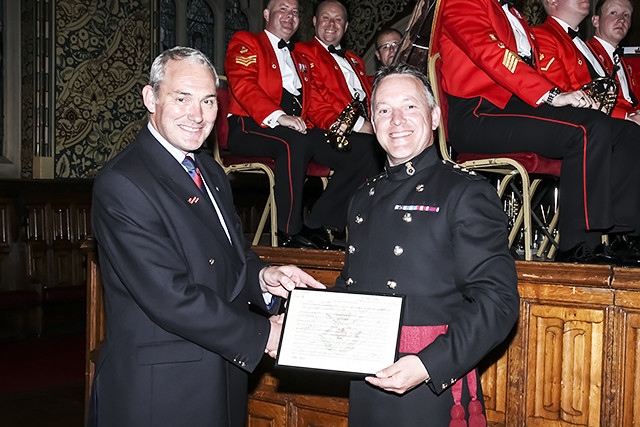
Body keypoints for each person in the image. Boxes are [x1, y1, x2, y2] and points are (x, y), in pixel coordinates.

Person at [88, 47, 325, 427]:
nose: (197, 116)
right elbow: (169, 295)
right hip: (160, 392)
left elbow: (231, 257)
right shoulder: (124, 182)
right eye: (182, 98)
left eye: (209, 101)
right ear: (151, 99)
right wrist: (264, 333)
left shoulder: (211, 172)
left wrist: (262, 277)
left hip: (221, 375)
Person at [333, 63, 520, 427]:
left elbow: (498, 301)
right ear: (372, 123)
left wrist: (428, 364)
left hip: (429, 379)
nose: (396, 120)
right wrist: (300, 322)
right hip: (366, 370)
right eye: (384, 110)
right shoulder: (362, 196)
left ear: (434, 116)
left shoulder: (465, 192)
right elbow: (353, 286)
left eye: (410, 106)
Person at [432, 0, 640, 265]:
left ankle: (622, 235)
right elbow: (489, 52)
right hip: (480, 111)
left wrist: (569, 98)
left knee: (626, 134)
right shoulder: (463, 2)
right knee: (587, 129)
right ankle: (577, 244)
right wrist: (551, 95)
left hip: (515, 107)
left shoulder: (513, 14)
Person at [224, 0, 378, 250]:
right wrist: (278, 116)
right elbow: (244, 85)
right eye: (282, 9)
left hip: (298, 130)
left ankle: (317, 224)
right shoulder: (247, 41)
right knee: (294, 143)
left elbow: (314, 103)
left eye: (294, 12)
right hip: (250, 125)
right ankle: (289, 232)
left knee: (366, 149)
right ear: (266, 14)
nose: (289, 16)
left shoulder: (299, 57)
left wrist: (336, 127)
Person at [296, 0, 383, 168]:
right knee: (372, 152)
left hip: (366, 126)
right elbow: (315, 98)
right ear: (315, 21)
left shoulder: (355, 60)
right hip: (326, 130)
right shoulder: (302, 51)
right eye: (326, 17)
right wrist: (359, 125)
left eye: (338, 19)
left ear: (346, 25)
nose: (331, 24)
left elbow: (367, 94)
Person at [586, 0, 639, 123]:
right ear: (595, 21)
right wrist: (627, 117)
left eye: (626, 15)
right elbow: (587, 99)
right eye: (613, 13)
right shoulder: (585, 54)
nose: (621, 19)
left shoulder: (628, 63)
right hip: (608, 126)